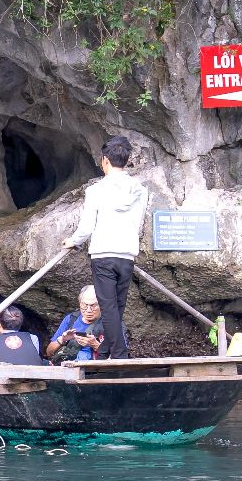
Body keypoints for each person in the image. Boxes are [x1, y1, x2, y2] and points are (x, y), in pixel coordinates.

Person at [64, 134, 148, 360]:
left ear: (105, 160)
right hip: (127, 254)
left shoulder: (97, 190)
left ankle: (119, 353)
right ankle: (105, 350)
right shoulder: (139, 190)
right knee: (117, 305)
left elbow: (87, 226)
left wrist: (73, 241)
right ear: (126, 159)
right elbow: (139, 222)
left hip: (103, 254)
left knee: (108, 306)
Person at [46, 286, 104, 363]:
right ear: (79, 304)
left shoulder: (111, 323)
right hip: (68, 368)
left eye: (93, 306)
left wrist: (95, 345)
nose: (89, 310)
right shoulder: (71, 319)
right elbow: (49, 353)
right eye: (85, 305)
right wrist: (62, 340)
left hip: (96, 371)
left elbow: (119, 356)